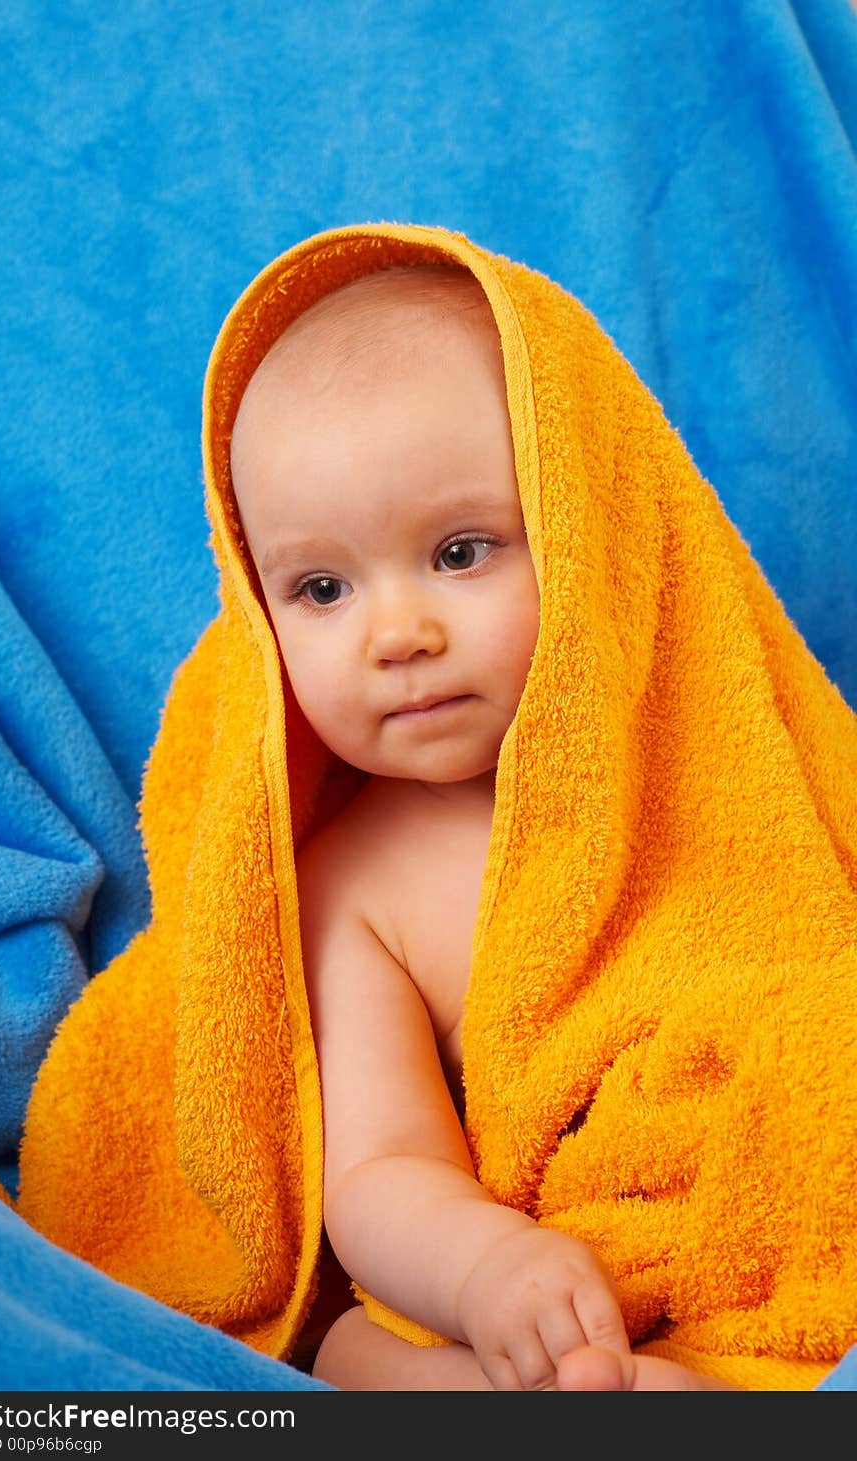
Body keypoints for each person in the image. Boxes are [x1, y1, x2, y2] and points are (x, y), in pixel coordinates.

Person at [228, 261, 735, 1392]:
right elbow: (383, 1168)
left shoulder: (713, 757)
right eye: (321, 590)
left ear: (587, 530)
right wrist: (488, 1268)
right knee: (359, 1346)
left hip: (731, 1206)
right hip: (505, 1268)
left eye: (460, 553)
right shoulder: (352, 888)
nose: (396, 633)